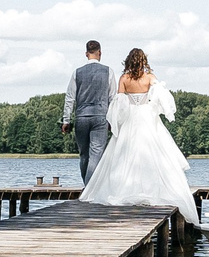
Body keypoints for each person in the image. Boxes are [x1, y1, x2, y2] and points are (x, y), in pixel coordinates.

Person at [79, 47, 198, 227]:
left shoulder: (124, 79)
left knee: (124, 153)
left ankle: (124, 189)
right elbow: (162, 96)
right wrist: (161, 110)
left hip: (131, 118)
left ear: (128, 61)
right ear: (143, 61)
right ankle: (150, 189)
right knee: (154, 152)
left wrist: (116, 123)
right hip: (147, 116)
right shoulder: (149, 78)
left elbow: (119, 104)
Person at [61, 39, 112, 183]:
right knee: (96, 154)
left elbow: (70, 98)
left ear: (86, 54)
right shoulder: (108, 71)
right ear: (100, 52)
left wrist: (66, 120)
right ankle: (89, 190)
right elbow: (113, 98)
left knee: (84, 155)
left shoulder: (77, 73)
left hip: (81, 117)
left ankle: (87, 186)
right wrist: (112, 120)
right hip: (100, 117)